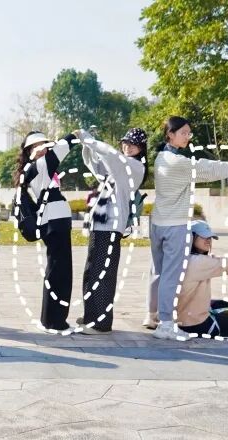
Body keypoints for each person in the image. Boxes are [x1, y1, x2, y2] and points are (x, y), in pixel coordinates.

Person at [147, 116, 228, 341]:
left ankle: (154, 316)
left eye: (189, 133)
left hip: (158, 223)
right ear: (170, 134)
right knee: (171, 276)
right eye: (183, 133)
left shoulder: (161, 158)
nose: (187, 137)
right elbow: (207, 169)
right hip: (174, 225)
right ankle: (166, 324)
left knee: (159, 273)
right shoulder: (177, 162)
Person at [75, 128, 148, 335]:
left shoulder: (134, 166)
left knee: (102, 273)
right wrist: (86, 146)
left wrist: (89, 140)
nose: (127, 147)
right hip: (101, 224)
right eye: (125, 142)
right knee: (92, 271)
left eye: (133, 144)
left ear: (142, 148)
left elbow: (110, 154)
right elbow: (97, 166)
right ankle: (91, 315)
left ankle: (100, 323)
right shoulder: (120, 166)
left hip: (110, 226)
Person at [15, 131, 79, 332]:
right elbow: (62, 148)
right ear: (30, 151)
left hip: (56, 222)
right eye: (38, 145)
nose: (44, 148)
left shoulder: (40, 167)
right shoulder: (40, 165)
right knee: (58, 273)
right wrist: (74, 135)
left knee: (59, 271)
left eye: (45, 144)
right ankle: (53, 321)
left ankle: (54, 319)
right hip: (53, 223)